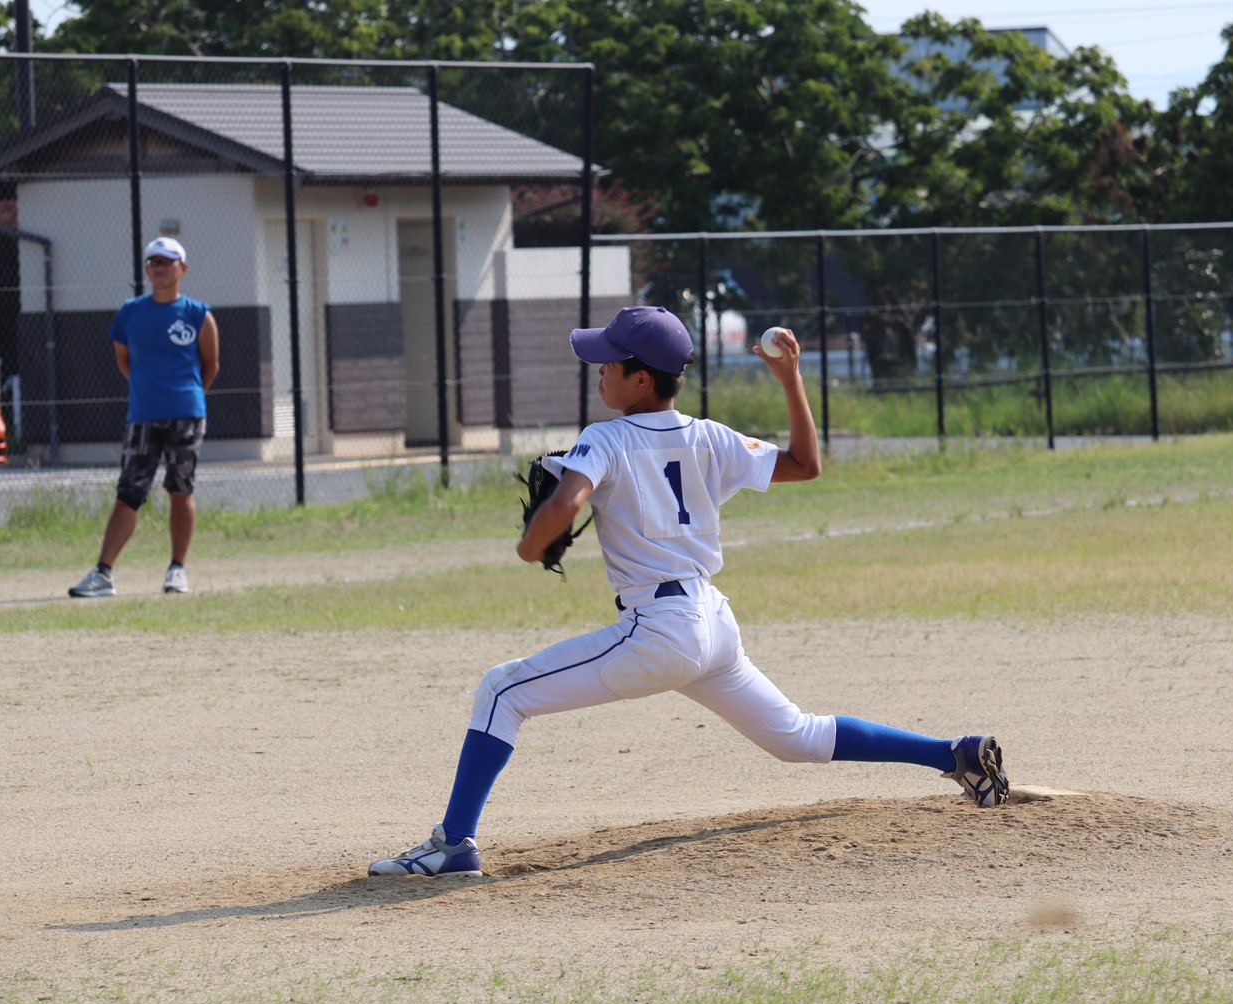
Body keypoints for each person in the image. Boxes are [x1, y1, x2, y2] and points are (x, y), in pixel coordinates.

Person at [369, 305, 1006, 878]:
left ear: (640, 378)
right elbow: (805, 465)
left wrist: (533, 542)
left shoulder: (606, 437)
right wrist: (790, 381)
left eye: (606, 364)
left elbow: (569, 499)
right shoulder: (709, 435)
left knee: (501, 690)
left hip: (661, 629)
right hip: (713, 623)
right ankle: (954, 754)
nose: (597, 372)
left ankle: (454, 844)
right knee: (797, 737)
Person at [69, 237, 220, 598]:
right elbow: (125, 362)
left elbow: (210, 366)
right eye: (153, 262)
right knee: (128, 495)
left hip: (187, 414)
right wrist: (148, 392)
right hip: (142, 416)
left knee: (180, 490)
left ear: (182, 269)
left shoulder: (199, 314)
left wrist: (187, 395)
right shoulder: (131, 312)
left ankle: (177, 571)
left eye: (167, 262)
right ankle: (103, 574)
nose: (159, 268)